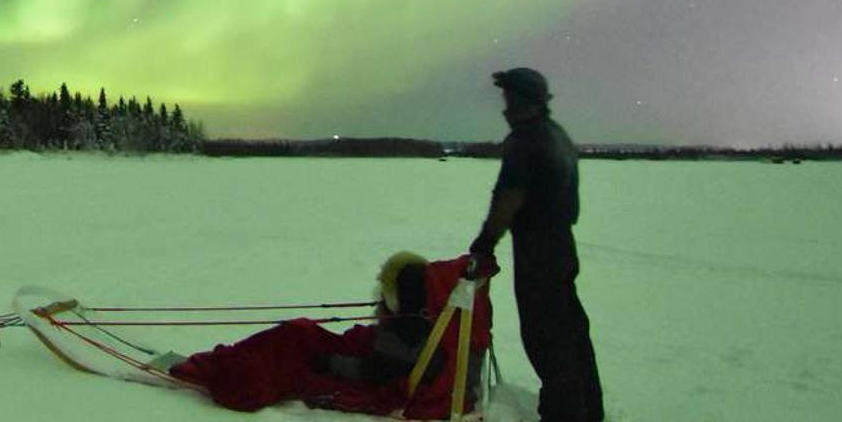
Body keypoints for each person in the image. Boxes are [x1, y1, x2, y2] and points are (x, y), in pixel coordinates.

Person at [164, 252, 488, 416]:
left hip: (367, 368)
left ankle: (222, 366)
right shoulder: (436, 313)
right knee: (298, 334)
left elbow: (377, 371)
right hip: (373, 354)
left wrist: (328, 361)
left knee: (293, 340)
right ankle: (227, 360)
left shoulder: (411, 329)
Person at [467, 67, 604, 422]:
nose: (504, 109)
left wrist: (485, 242)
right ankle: (588, 409)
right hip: (561, 246)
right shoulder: (557, 135)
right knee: (571, 331)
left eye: (508, 99)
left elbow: (509, 197)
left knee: (547, 338)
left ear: (522, 101)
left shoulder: (525, 140)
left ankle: (564, 413)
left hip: (538, 251)